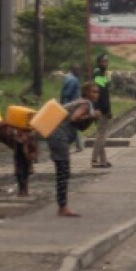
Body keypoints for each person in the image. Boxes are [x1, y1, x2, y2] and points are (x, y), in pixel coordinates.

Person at [47, 82, 100, 216]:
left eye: (97, 92)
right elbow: (74, 118)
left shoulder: (82, 103)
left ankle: (62, 206)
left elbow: (80, 127)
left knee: (63, 171)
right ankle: (62, 207)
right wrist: (92, 116)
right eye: (93, 92)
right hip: (60, 137)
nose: (96, 94)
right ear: (86, 93)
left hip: (56, 136)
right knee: (63, 171)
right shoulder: (85, 104)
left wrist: (91, 117)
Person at [0, 119, 39, 197]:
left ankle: (22, 192)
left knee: (20, 166)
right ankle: (25, 190)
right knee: (26, 165)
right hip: (28, 136)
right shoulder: (6, 123)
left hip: (20, 140)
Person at [91, 54, 114, 168]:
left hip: (101, 108)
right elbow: (102, 94)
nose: (106, 63)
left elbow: (105, 89)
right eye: (104, 61)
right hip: (101, 109)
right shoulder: (98, 74)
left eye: (107, 61)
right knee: (101, 136)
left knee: (101, 134)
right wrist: (107, 110)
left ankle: (103, 160)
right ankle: (94, 159)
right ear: (99, 62)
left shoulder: (101, 74)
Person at [60, 65, 84, 153]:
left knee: (72, 125)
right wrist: (65, 106)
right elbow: (67, 94)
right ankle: (76, 145)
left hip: (70, 105)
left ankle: (77, 145)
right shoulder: (73, 80)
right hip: (71, 106)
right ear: (73, 70)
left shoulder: (70, 78)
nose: (79, 72)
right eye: (78, 70)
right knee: (71, 126)